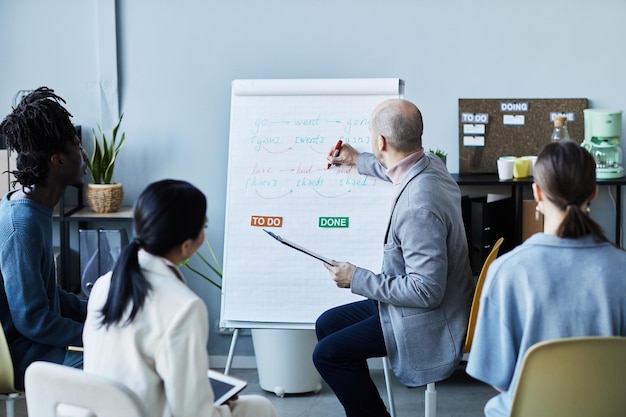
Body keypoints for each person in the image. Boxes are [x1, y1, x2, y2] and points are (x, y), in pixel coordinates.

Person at [313, 98, 473, 417]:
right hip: (438, 303)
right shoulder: (431, 166)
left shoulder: (417, 209)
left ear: (381, 141)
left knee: (328, 355)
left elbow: (426, 291)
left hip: (431, 319)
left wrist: (355, 278)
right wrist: (357, 160)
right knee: (327, 324)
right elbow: (393, 170)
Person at [83, 179, 278, 417]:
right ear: (186, 245)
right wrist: (217, 405)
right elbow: (193, 413)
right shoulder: (185, 306)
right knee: (260, 407)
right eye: (203, 226)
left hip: (103, 410)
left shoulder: (104, 284)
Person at [466, 140, 626, 417]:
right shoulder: (622, 268)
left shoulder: (507, 271)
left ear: (537, 193)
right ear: (594, 192)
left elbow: (497, 378)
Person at [0, 87, 87, 390]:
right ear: (57, 160)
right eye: (77, 146)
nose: (83, 154)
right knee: (118, 369)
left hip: (37, 346)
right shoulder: (21, 224)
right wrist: (94, 335)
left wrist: (96, 313)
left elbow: (46, 293)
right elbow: (33, 319)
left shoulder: (33, 209)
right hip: (23, 356)